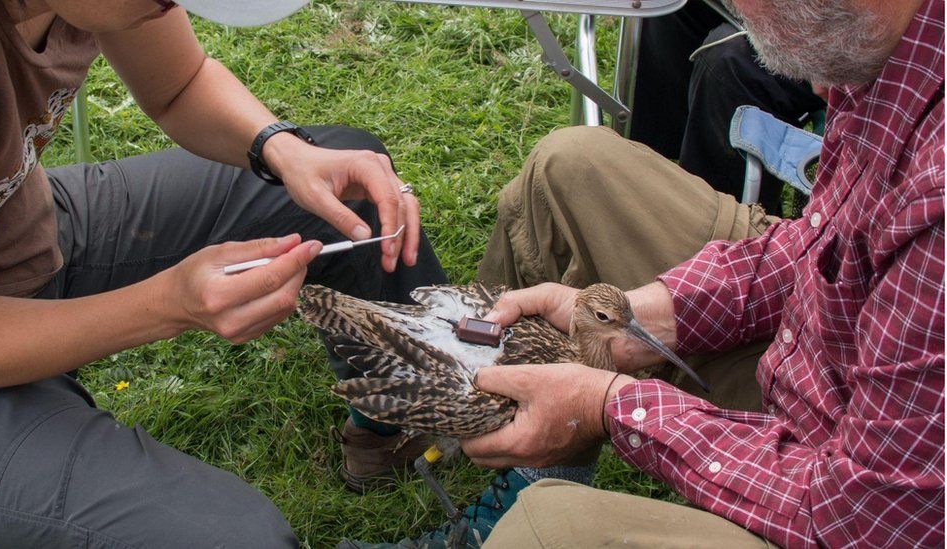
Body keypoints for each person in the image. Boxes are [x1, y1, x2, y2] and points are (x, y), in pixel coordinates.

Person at [352, 0, 944, 547]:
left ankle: (521, 493)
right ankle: (483, 420)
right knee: (572, 166)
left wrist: (608, 405)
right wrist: (658, 315)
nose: (817, 92)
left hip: (860, 502)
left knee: (546, 534)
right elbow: (821, 242)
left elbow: (868, 517)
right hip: (830, 360)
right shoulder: (883, 43)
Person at [0, 0, 449, 546]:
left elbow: (180, 83)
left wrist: (284, 151)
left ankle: (409, 411)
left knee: (343, 182)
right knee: (237, 540)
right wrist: (170, 304)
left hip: (29, 232)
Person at [630, 0, 826, 214]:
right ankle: (644, 170)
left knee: (728, 61)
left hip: (840, 34)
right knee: (670, 7)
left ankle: (720, 224)